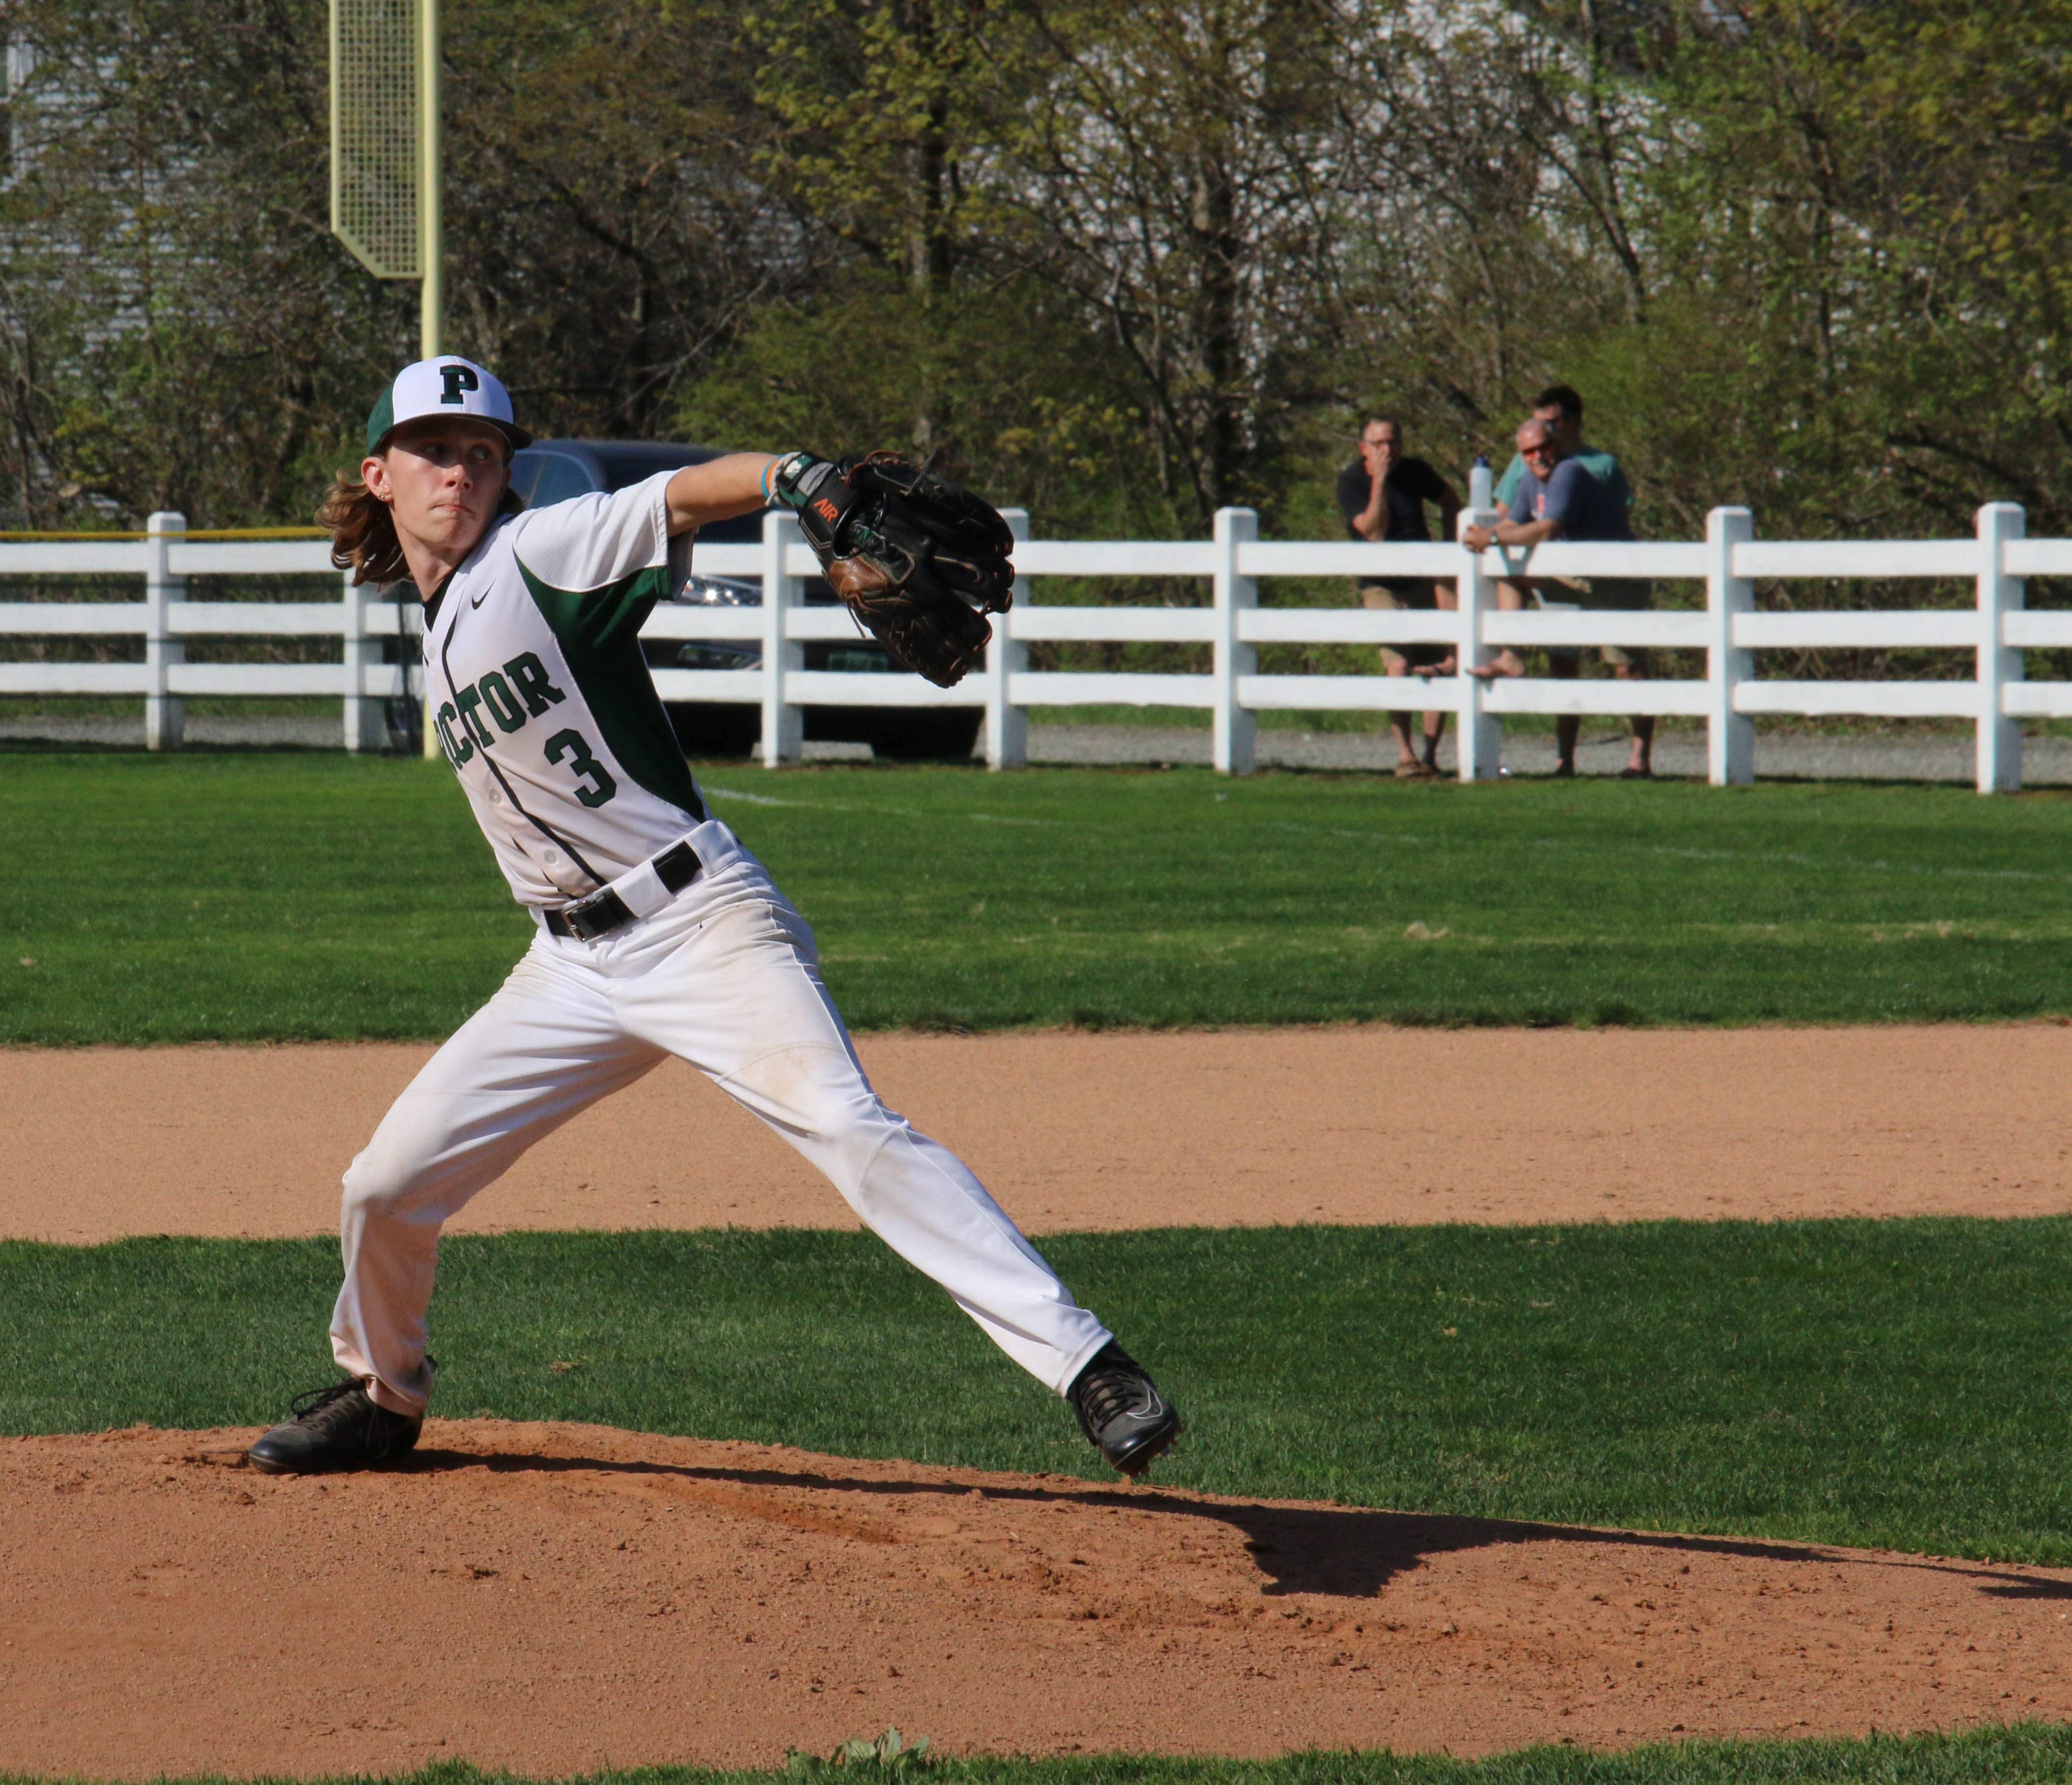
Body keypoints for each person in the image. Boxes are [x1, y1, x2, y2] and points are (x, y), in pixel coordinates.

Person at [246, 355, 1183, 1479]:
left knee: (846, 1126)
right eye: (433, 451)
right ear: (379, 476)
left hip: (699, 925)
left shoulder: (540, 551)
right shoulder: (436, 627)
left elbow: (681, 496)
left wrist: (795, 478)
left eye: (482, 453)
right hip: (567, 969)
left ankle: (1090, 1366)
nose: (459, 471)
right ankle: (385, 1395)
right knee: (384, 1186)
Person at [1461, 417, 1656, 777]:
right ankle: (1562, 755)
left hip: (1614, 579)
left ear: (1557, 445)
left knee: (1628, 668)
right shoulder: (1529, 480)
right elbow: (1512, 523)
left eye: (1543, 447)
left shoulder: (1569, 472)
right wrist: (1482, 533)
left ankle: (1640, 759)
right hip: (1571, 578)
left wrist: (1490, 539)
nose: (1537, 457)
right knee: (1561, 662)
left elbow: (1547, 529)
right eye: (1528, 452)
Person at [1335, 417, 1459, 778]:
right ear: (1363, 448)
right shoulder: (1352, 481)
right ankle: (1405, 755)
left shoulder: (1416, 470)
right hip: (1380, 583)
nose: (1387, 450)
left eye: (1392, 442)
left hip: (1421, 578)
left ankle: (1431, 755)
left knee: (1435, 665)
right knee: (1398, 665)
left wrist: (1450, 551)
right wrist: (1379, 481)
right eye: (1378, 444)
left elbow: (1451, 500)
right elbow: (1372, 532)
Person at [1492, 384, 1628, 513]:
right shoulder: (1525, 458)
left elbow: (1620, 525)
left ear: (1573, 421)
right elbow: (1503, 514)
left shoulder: (1604, 465)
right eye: (1537, 422)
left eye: (1549, 423)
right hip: (1532, 537)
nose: (1541, 429)